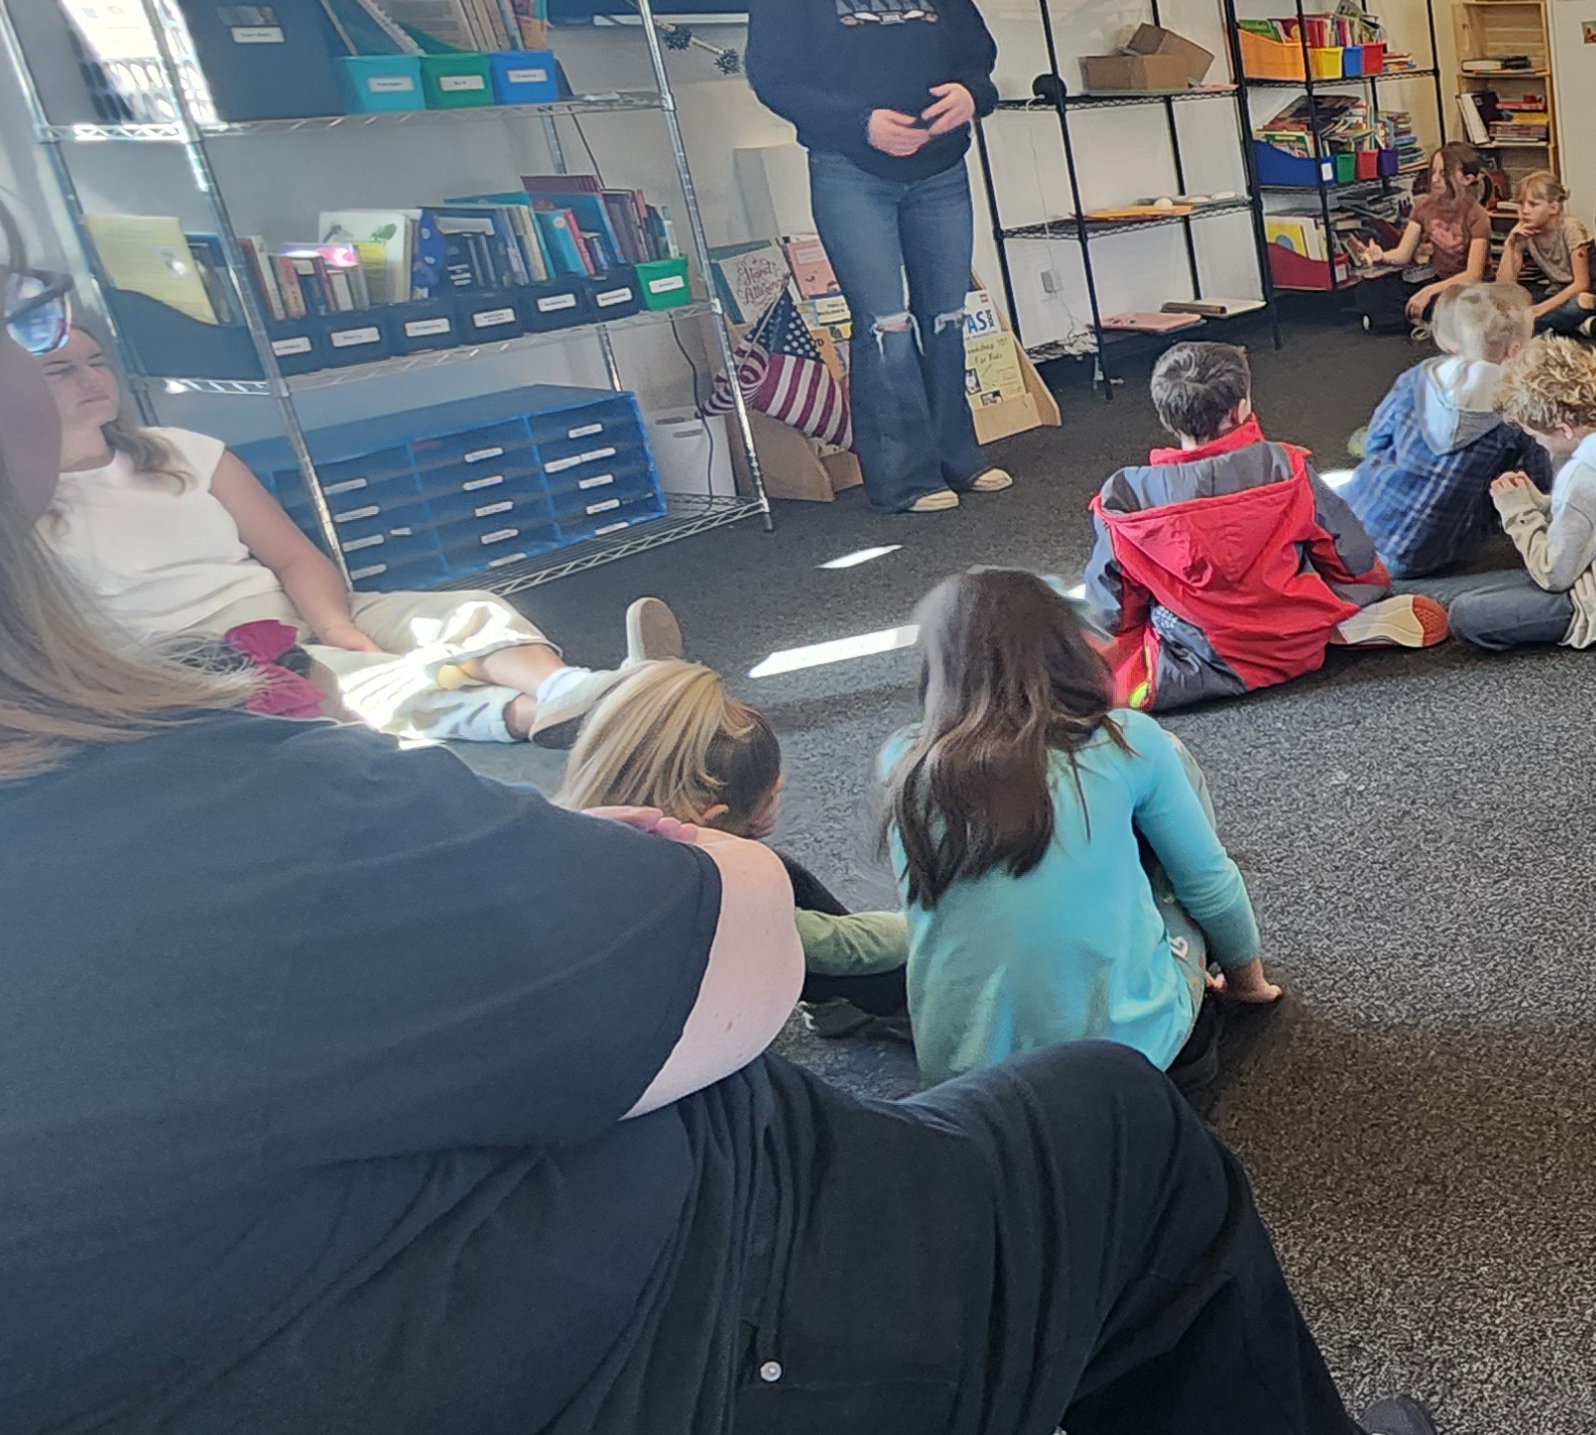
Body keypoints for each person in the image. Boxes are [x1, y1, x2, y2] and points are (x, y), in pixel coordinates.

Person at [0, 208, 1420, 1434]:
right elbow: (734, 965)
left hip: (576, 1248)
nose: (47, 351)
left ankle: (592, 702)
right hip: (677, 1327)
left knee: (863, 927)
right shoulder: (230, 807)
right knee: (1118, 1120)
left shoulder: (908, 758)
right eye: (27, 318)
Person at [34, 324, 673, 743]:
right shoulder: (25, 509)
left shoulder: (183, 452)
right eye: (60, 370)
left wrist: (336, 624)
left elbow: (294, 557)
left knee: (465, 612)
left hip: (299, 609)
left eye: (96, 362)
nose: (92, 381)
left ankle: (572, 690)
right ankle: (574, 719)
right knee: (365, 685)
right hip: (201, 658)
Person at [884, 568, 1283, 1110]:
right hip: (1134, 1059)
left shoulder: (903, 760)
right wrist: (1248, 985)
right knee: (1171, 805)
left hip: (966, 1089)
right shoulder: (1124, 742)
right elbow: (1210, 883)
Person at [742, 0, 1014, 515]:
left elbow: (978, 60)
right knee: (885, 323)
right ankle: (905, 479)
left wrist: (971, 95)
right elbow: (774, 79)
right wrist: (861, 122)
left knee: (945, 317)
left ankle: (959, 459)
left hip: (941, 172)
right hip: (851, 172)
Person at [1083, 340, 1447, 711]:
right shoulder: (1283, 465)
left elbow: (1112, 603)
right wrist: (1363, 590)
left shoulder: (1125, 496)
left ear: (1165, 415)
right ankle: (1331, 625)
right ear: (1240, 409)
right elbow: (1346, 549)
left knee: (1112, 675)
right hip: (1293, 632)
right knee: (1312, 565)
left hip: (1202, 653)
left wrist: (1117, 637)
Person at [561, 660, 912, 1039]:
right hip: (664, 1043)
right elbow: (845, 947)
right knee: (774, 883)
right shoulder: (709, 896)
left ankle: (832, 1006)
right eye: (773, 793)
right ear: (711, 816)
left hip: (590, 1016)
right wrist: (930, 924)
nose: (778, 800)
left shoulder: (565, 841)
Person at [1409, 337, 1596, 651]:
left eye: (1535, 435)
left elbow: (1553, 575)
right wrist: (1542, 503)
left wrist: (1519, 512)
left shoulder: (1584, 477)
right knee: (1488, 587)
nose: (1537, 444)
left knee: (1465, 613)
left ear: (1564, 429)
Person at [1337, 279, 1551, 578]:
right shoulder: (1518, 413)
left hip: (1357, 527)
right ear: (1515, 351)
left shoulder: (1417, 377)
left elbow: (1374, 441)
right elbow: (1539, 481)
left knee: (1364, 458)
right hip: (1421, 556)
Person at [1350, 154, 1497, 334]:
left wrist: (1428, 291)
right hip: (1439, 282)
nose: (1434, 179)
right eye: (1433, 172)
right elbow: (1403, 254)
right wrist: (1381, 256)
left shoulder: (1477, 215)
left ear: (1467, 179)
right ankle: (1420, 320)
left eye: (1443, 174)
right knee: (1367, 289)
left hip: (1470, 289)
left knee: (1448, 305)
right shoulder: (1423, 206)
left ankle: (1407, 320)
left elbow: (1473, 275)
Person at [1470, 170, 1596, 337]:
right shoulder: (1525, 230)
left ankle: (1529, 327)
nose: (1525, 210)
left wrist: (1539, 310)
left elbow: (1581, 284)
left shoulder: (1571, 228)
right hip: (1554, 293)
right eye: (1521, 204)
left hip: (1588, 295)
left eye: (1533, 205)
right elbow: (1504, 285)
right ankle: (1565, 326)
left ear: (1554, 208)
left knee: (1582, 303)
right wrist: (1511, 245)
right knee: (1502, 303)